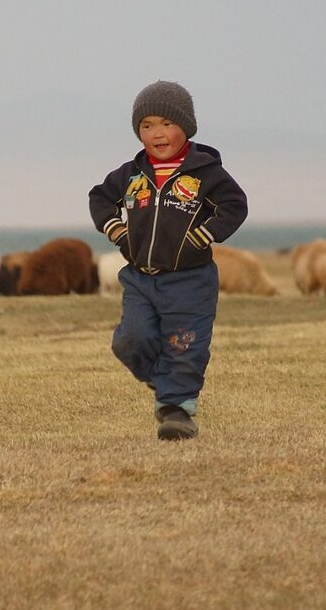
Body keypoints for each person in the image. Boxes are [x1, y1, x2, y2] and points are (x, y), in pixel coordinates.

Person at [89, 81, 248, 440]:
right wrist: (117, 231)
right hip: (141, 278)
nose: (157, 134)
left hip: (190, 281)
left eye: (166, 123)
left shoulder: (206, 172)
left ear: (186, 126)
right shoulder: (130, 174)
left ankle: (177, 412)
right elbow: (100, 198)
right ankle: (162, 381)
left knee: (184, 345)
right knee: (130, 339)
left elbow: (235, 206)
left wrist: (204, 235)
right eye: (147, 126)